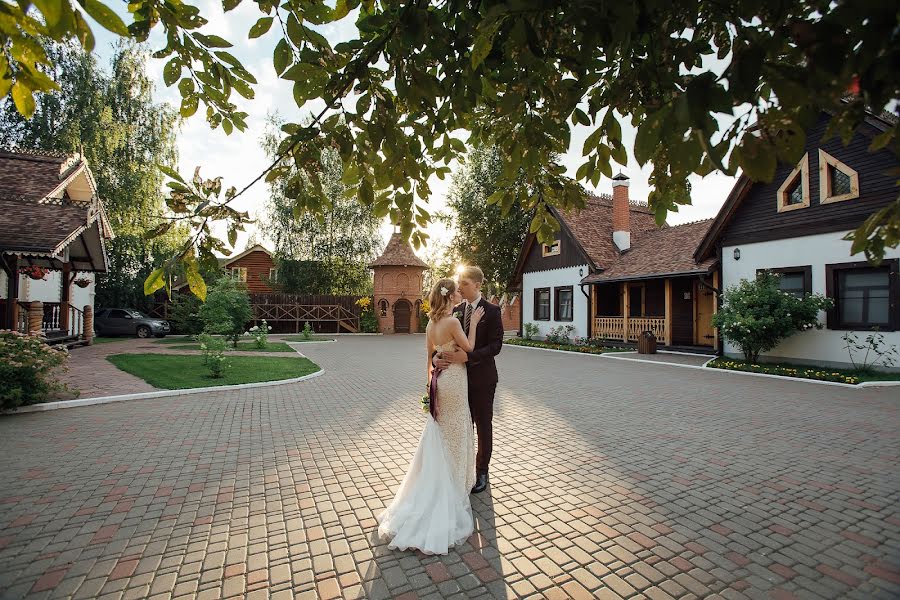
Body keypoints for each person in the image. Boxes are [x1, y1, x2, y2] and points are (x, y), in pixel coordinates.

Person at [377, 278, 484, 554]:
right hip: (456, 383)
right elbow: (469, 348)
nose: (460, 294)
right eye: (456, 292)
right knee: (458, 432)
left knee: (441, 433)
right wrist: (473, 324)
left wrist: (429, 386)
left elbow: (429, 359)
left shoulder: (429, 325)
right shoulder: (453, 323)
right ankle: (455, 488)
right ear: (449, 297)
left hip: (439, 383)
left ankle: (443, 483)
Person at [434, 265, 503, 494]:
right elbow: (443, 340)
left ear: (477, 285)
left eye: (464, 283)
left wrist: (469, 356)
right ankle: (464, 470)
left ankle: (482, 471)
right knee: (464, 425)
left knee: (483, 425)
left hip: (483, 379)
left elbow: (496, 346)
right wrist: (436, 358)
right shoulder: (456, 310)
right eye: (459, 283)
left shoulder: (492, 311)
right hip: (457, 380)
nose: (460, 286)